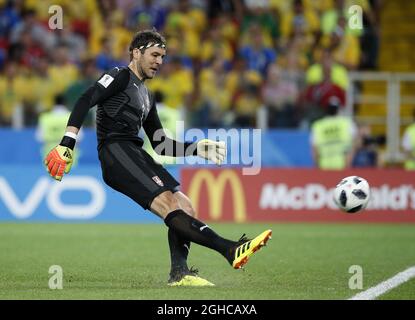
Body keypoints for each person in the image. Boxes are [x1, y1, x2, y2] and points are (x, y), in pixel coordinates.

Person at [43, 29, 271, 287]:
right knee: (167, 204)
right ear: (136, 52)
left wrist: (196, 148)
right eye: (154, 55)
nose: (159, 62)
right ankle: (229, 249)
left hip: (136, 152)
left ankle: (180, 273)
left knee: (184, 205)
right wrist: (67, 142)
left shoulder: (148, 96)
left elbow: (161, 144)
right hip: (116, 152)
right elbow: (86, 99)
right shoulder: (119, 76)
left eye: (162, 56)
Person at [310, 96, 357, 170]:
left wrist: (317, 165)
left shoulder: (318, 125)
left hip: (324, 166)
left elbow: (314, 149)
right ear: (339, 109)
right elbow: (354, 144)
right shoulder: (347, 123)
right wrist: (348, 163)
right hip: (342, 165)